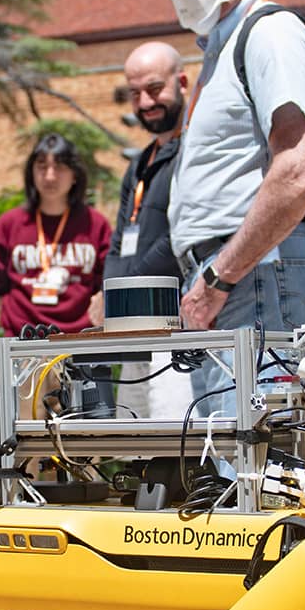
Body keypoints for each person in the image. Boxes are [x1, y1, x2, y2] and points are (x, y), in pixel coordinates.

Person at [159, 0, 305, 414]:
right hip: (236, 275)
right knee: (233, 462)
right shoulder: (222, 47)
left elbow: (298, 172)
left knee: (255, 466)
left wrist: (219, 278)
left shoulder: (270, 34)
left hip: (252, 274)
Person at [107, 41, 196, 422]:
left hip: (176, 333)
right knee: (135, 446)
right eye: (134, 93)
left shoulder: (196, 151)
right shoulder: (141, 162)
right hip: (132, 331)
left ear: (182, 82)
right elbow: (118, 237)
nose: (144, 102)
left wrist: (131, 292)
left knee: (176, 441)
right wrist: (110, 295)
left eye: (154, 89)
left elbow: (182, 235)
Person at [0, 133, 111, 337]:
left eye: (59, 167)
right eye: (42, 166)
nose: (50, 176)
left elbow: (106, 285)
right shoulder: (8, 225)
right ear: (31, 173)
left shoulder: (96, 225)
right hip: (23, 340)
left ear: (75, 174)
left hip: (82, 340)